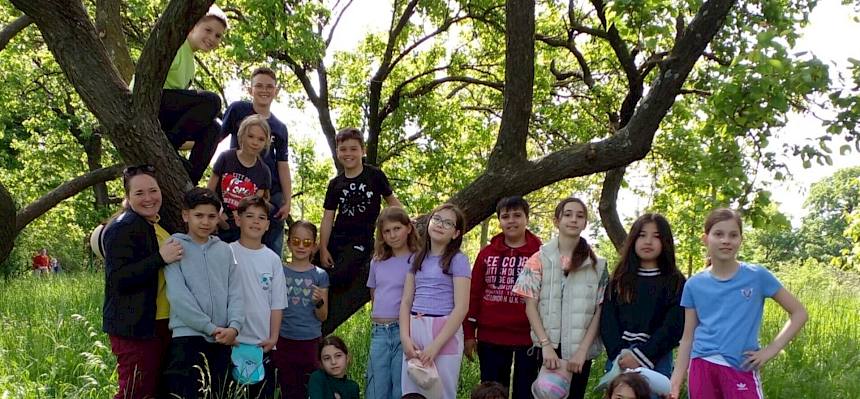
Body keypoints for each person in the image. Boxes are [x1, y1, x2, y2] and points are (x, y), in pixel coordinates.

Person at [669, 208, 808, 399]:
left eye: (733, 235)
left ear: (740, 240)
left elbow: (799, 313)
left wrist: (771, 350)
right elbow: (687, 338)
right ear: (705, 239)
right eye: (718, 234)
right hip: (702, 367)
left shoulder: (757, 276)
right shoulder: (694, 284)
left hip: (741, 366)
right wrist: (676, 379)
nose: (726, 240)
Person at [512, 197, 608, 399]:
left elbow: (600, 310)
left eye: (580, 216)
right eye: (568, 214)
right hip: (548, 350)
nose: (574, 219)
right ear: (556, 221)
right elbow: (530, 305)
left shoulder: (597, 265)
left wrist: (582, 351)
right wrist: (546, 346)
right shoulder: (539, 259)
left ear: (585, 223)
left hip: (579, 352)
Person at [102, 164, 181, 399]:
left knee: (154, 391)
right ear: (127, 197)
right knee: (135, 392)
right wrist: (160, 258)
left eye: (153, 190)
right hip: (136, 327)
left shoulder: (152, 223)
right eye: (139, 193)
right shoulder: (122, 227)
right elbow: (118, 279)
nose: (148, 198)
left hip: (162, 322)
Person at [162, 187, 244, 399]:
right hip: (188, 338)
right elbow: (179, 296)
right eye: (199, 215)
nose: (205, 222)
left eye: (211, 216)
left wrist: (234, 327)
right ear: (185, 215)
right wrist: (209, 327)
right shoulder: (174, 246)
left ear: (218, 217)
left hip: (222, 339)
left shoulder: (225, 251)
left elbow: (236, 292)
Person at [463, 196, 542, 397]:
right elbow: (473, 294)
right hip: (491, 335)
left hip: (529, 337)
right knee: (493, 393)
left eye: (517, 215)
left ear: (527, 219)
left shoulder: (541, 254)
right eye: (505, 216)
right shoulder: (486, 253)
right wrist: (469, 333)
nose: (511, 221)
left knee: (526, 392)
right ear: (500, 221)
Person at [600, 213, 685, 380]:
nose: (648, 241)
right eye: (642, 235)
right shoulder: (619, 279)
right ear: (633, 240)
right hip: (620, 358)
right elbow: (607, 319)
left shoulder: (675, 281)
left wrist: (640, 356)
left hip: (656, 358)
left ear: (665, 242)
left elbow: (674, 325)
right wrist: (620, 355)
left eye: (656, 236)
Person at [399, 203, 471, 399]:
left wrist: (435, 346)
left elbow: (462, 307)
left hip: (444, 331)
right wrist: (405, 338)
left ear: (455, 233)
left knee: (441, 392)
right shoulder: (416, 258)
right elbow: (406, 301)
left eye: (448, 223)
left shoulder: (458, 260)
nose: (440, 225)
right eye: (437, 219)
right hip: (415, 328)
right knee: (412, 391)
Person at [223, 66, 292, 257]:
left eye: (269, 87)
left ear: (276, 91)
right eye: (259, 86)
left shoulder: (279, 128)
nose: (264, 90)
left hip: (270, 190)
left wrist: (288, 200)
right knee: (231, 237)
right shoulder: (238, 110)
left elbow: (283, 164)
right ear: (250, 89)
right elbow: (215, 138)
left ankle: (270, 279)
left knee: (272, 239)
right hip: (238, 186)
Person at [154, 5, 227, 185]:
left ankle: (189, 179)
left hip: (168, 114)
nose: (212, 38)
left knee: (216, 128)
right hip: (153, 103)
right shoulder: (176, 45)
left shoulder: (191, 62)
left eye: (218, 36)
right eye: (208, 30)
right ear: (193, 26)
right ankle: (169, 147)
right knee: (212, 101)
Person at [320, 127, 402, 287]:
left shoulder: (374, 175)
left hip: (361, 241)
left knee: (339, 277)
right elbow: (328, 218)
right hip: (336, 239)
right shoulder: (335, 184)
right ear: (337, 152)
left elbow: (392, 202)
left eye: (353, 149)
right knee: (313, 269)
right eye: (343, 149)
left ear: (363, 151)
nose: (348, 153)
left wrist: (407, 222)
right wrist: (323, 248)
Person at [231, 195, 287, 398]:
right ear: (238, 219)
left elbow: (277, 303)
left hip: (262, 345)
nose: (255, 221)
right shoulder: (227, 253)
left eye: (261, 217)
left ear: (267, 225)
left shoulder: (272, 260)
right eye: (249, 216)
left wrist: (273, 338)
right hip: (232, 342)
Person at [272, 220, 330, 399]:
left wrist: (319, 302)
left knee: (309, 390)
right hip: (283, 339)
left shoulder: (320, 275)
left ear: (314, 245)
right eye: (296, 241)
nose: (301, 246)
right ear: (289, 242)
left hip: (310, 342)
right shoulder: (279, 270)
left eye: (307, 243)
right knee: (286, 389)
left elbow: (323, 316)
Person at [366, 207, 420, 399]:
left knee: (400, 386)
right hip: (379, 330)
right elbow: (375, 293)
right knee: (375, 387)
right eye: (387, 231)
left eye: (397, 228)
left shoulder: (417, 260)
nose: (392, 235)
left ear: (409, 228)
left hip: (404, 331)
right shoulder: (377, 261)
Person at [207, 114, 272, 243]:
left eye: (260, 139)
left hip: (241, 229)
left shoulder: (264, 172)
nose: (255, 142)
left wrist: (240, 218)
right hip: (215, 221)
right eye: (250, 136)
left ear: (266, 142)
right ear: (242, 135)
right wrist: (218, 216)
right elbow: (210, 191)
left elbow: (256, 205)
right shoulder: (226, 158)